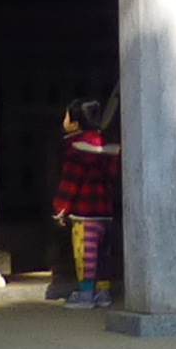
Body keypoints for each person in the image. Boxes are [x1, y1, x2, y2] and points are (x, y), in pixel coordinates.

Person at [49, 96, 116, 304]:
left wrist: (59, 209)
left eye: (67, 117)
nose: (64, 120)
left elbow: (70, 183)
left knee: (84, 252)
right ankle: (103, 292)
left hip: (83, 213)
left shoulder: (75, 149)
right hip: (105, 210)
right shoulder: (107, 146)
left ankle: (86, 293)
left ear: (76, 123)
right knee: (103, 254)